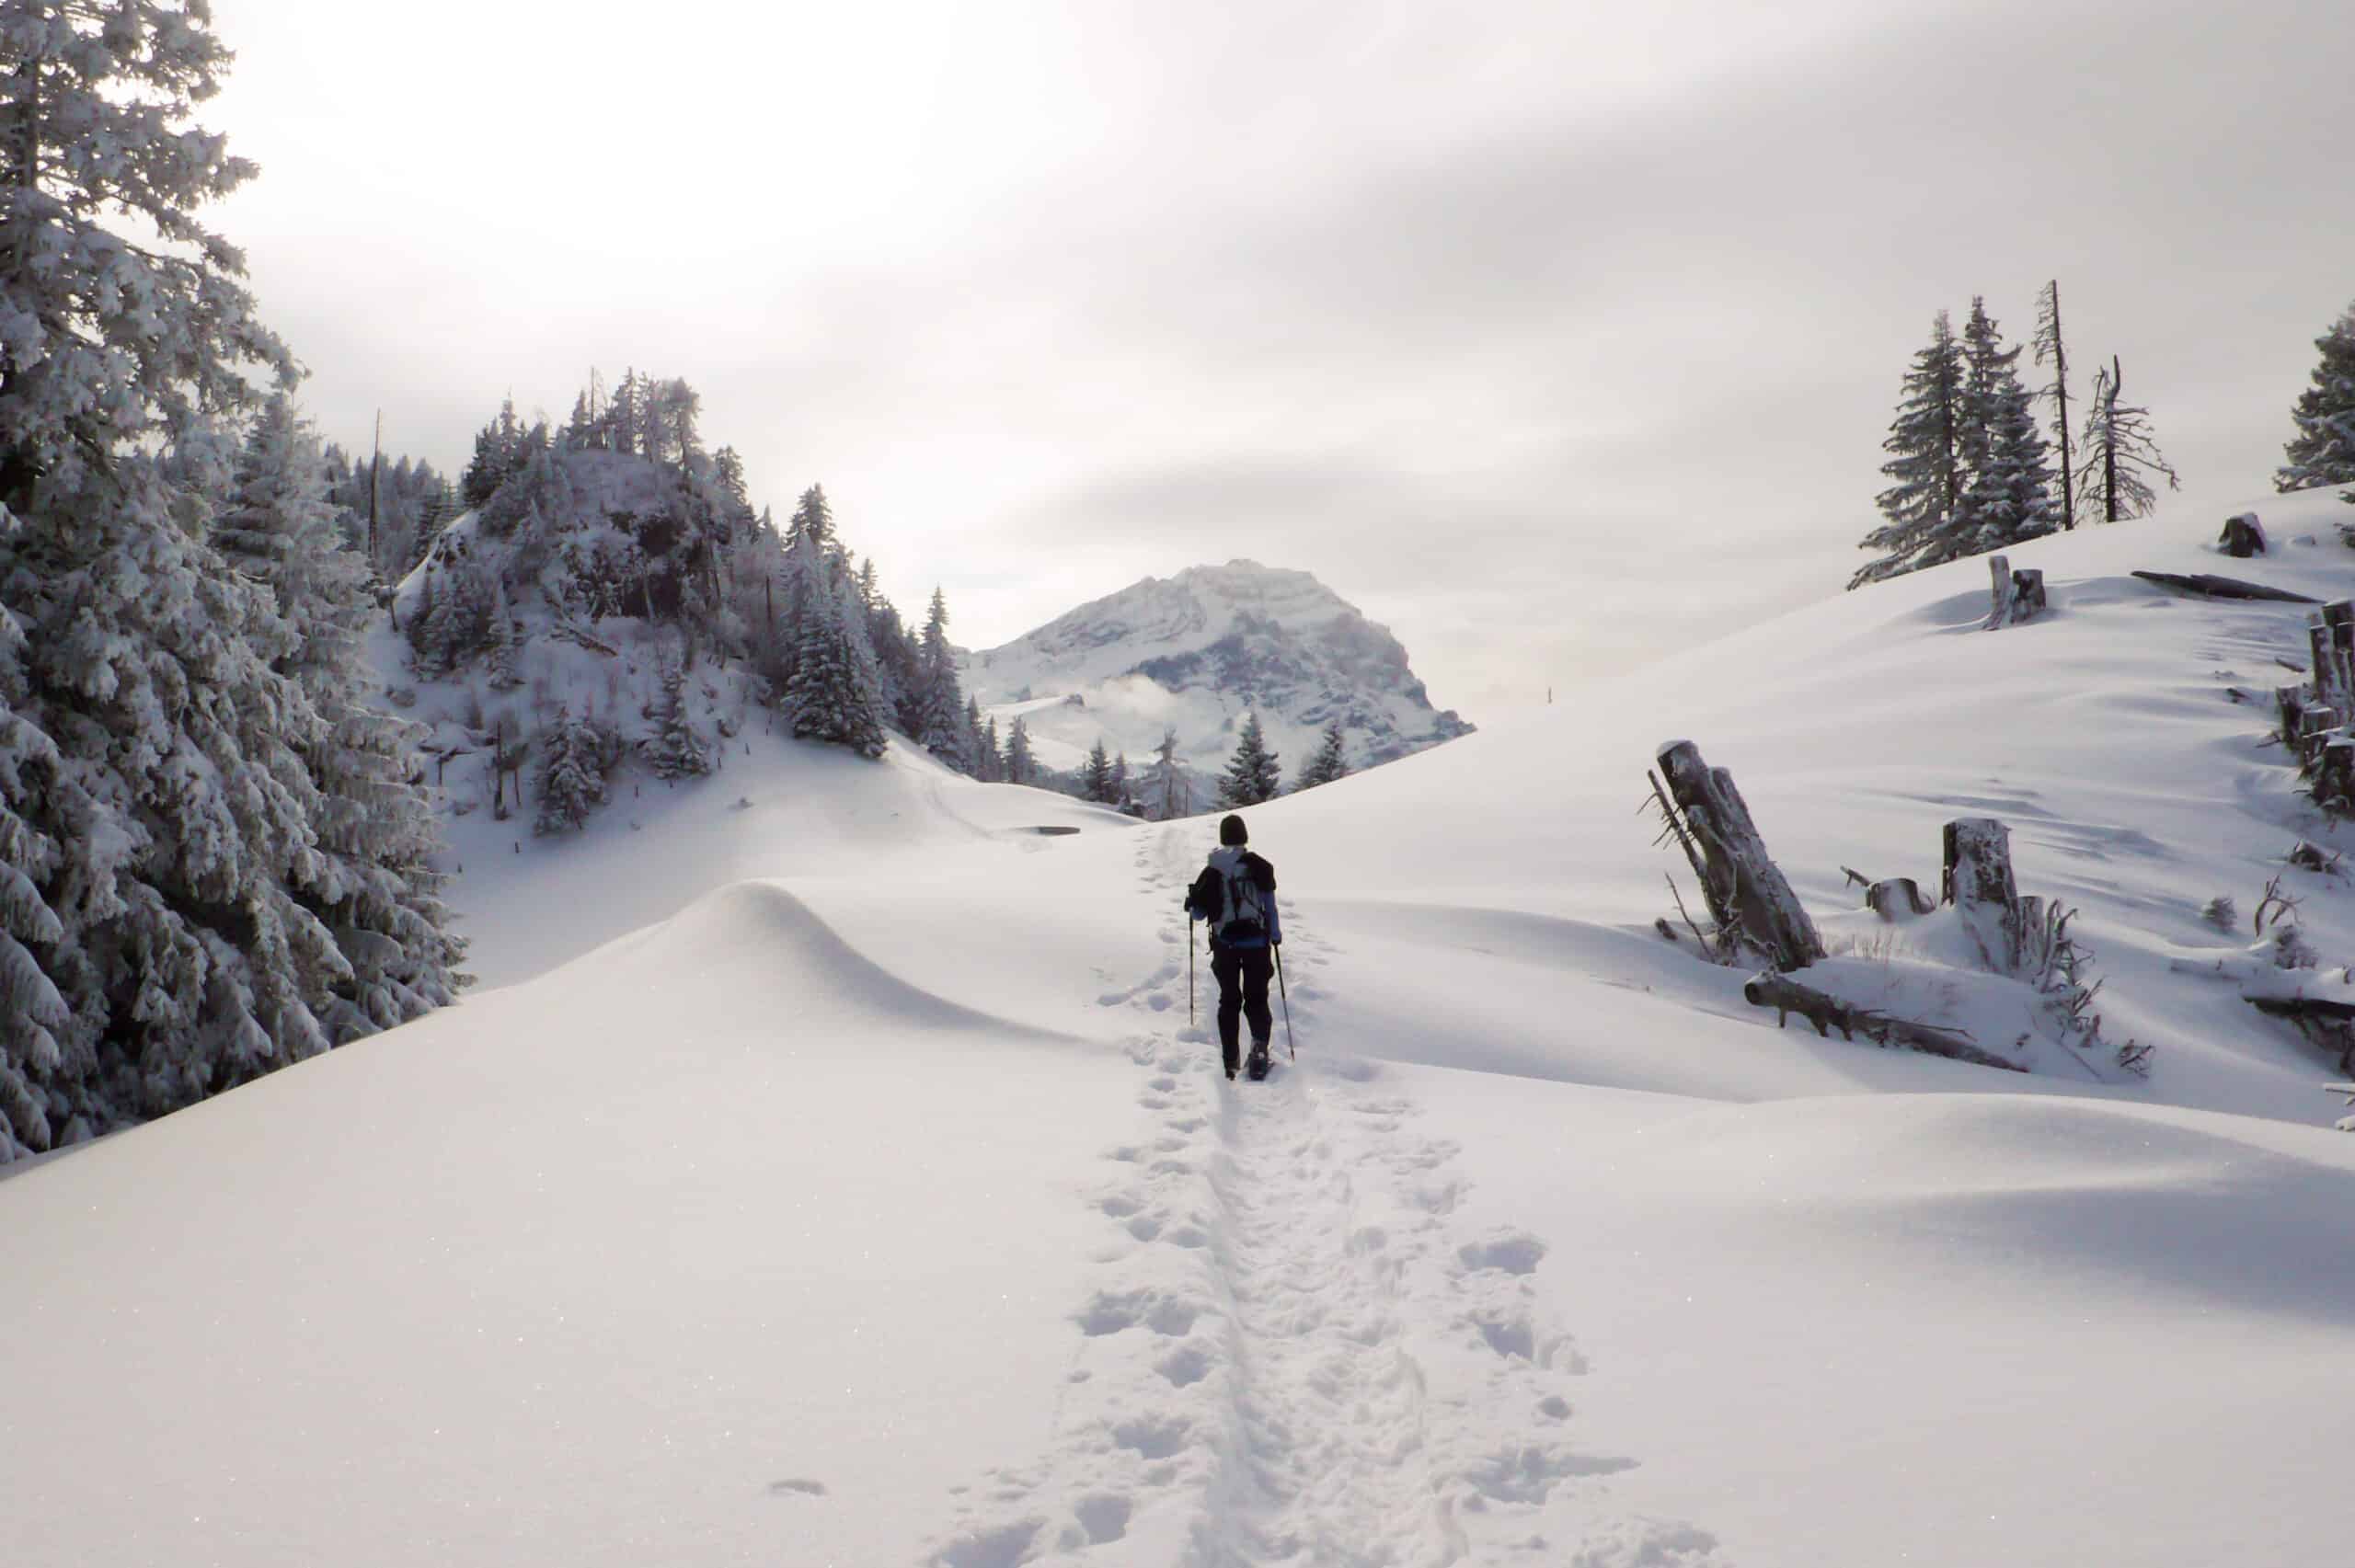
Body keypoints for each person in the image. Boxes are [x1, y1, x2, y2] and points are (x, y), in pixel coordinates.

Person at [1184, 813, 1282, 1080]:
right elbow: (1270, 907)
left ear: (1222, 837)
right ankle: (1260, 1053)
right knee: (1257, 998)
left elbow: (1198, 915)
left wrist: (1192, 902)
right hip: (1257, 943)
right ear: (1244, 836)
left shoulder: (1212, 870)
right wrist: (1274, 936)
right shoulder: (1257, 867)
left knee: (1229, 1000)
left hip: (1225, 944)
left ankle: (1230, 1062)